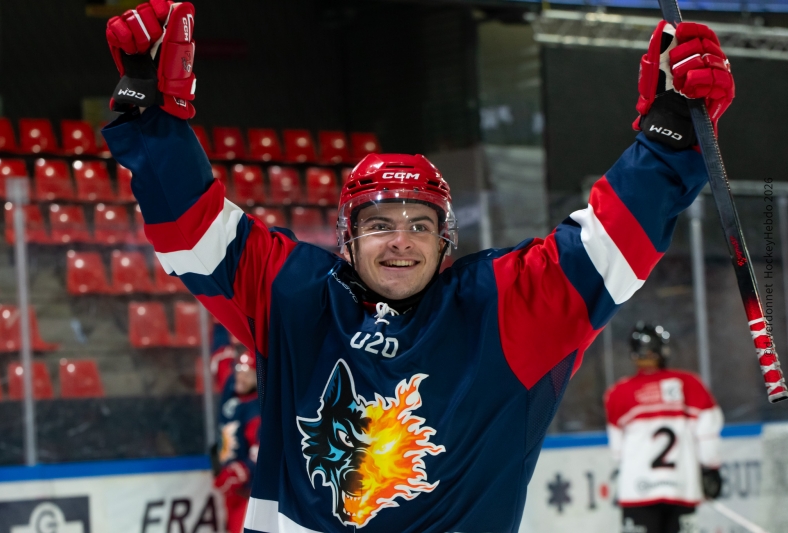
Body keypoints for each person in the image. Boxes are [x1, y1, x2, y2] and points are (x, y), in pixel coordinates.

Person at [102, 3, 734, 531]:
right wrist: (155, 123)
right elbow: (193, 231)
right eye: (379, 225)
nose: (400, 241)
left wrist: (670, 137)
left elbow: (607, 247)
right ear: (347, 239)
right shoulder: (296, 298)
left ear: (445, 242)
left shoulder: (500, 308)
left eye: (420, 225)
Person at [604, 323, 724, 533]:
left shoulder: (618, 393)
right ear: (663, 350)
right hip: (682, 488)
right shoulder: (689, 383)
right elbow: (707, 435)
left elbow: (617, 452)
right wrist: (710, 469)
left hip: (637, 491)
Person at [214, 351, 261, 533]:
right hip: (231, 492)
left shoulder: (256, 410)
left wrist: (239, 472)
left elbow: (261, 454)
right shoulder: (232, 394)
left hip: (247, 494)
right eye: (239, 370)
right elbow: (219, 359)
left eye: (247, 373)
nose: (241, 376)